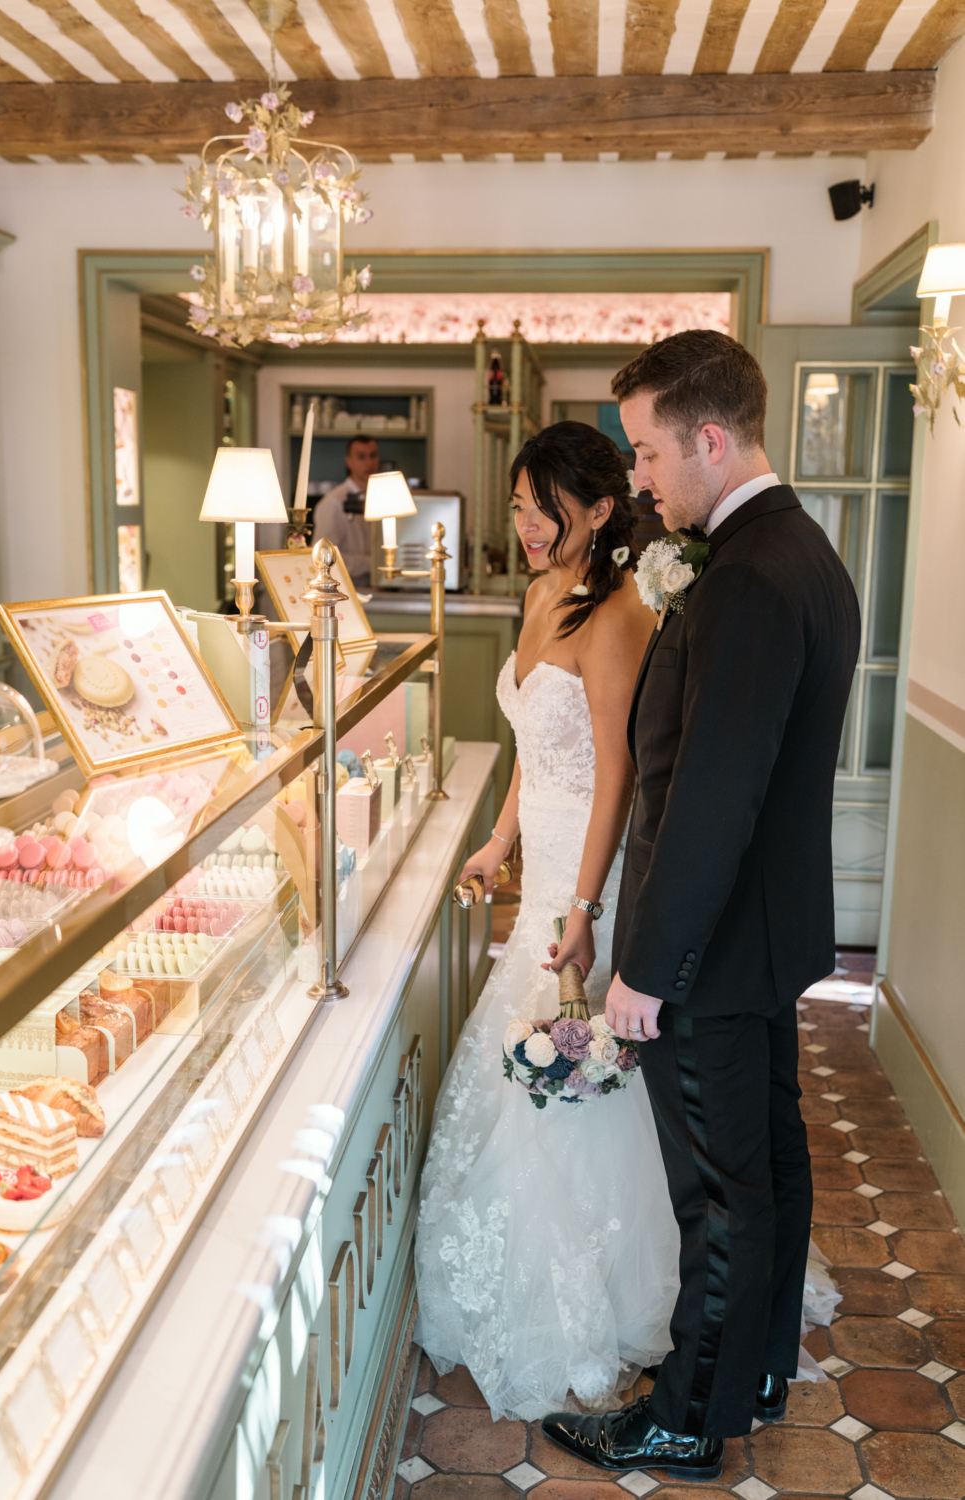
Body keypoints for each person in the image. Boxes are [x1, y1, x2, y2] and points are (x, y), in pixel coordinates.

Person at [542, 331, 859, 1482]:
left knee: (717, 1199)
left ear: (711, 440)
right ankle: (755, 1373)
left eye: (648, 452)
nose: (640, 479)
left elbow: (715, 795)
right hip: (761, 943)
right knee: (769, 1165)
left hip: (712, 957)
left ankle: (684, 1418)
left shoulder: (751, 579)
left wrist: (647, 970)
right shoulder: (795, 552)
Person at [414, 421, 682, 1422]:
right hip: (546, 877)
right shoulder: (539, 597)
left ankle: (588, 1301)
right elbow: (536, 741)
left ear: (603, 508)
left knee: (576, 1078)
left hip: (592, 887)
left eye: (546, 507)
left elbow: (620, 771)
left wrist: (582, 904)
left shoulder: (618, 615)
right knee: (521, 1069)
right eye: (520, 504)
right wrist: (498, 841)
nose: (527, 524)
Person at [312, 436, 380, 585]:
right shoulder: (333, 503)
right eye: (361, 457)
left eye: (373, 455)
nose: (369, 462)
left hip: (378, 587)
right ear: (349, 461)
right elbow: (322, 557)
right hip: (345, 589)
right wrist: (373, 562)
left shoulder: (382, 498)